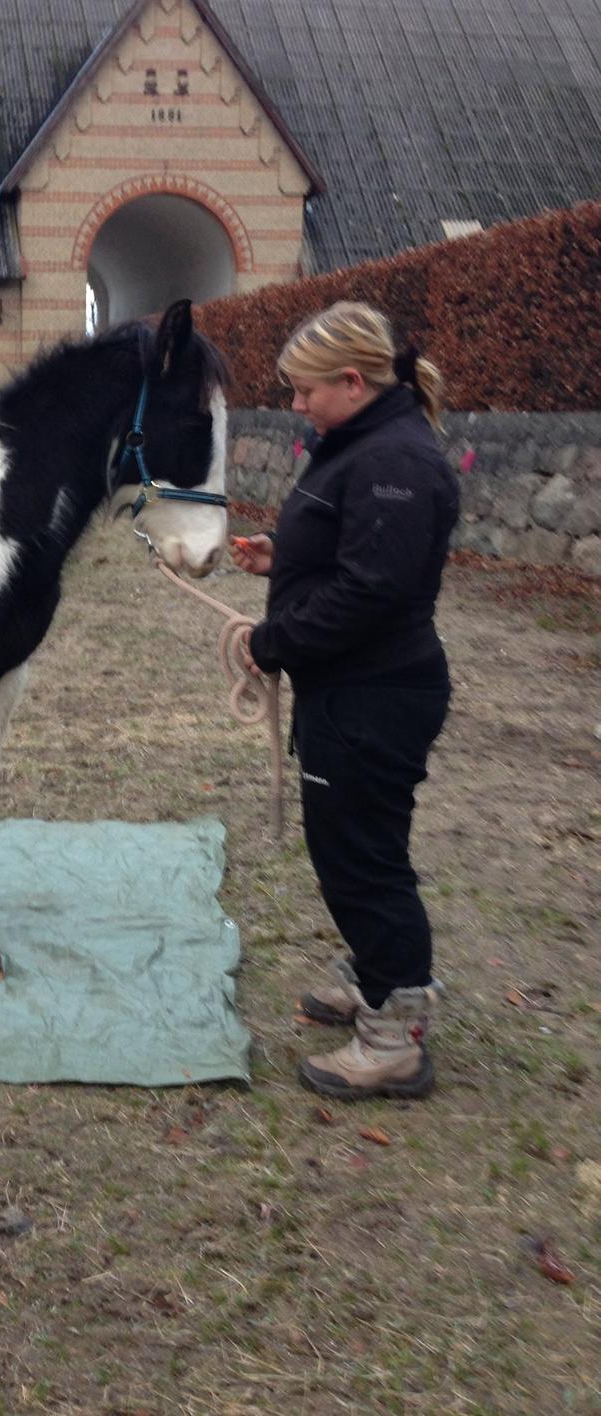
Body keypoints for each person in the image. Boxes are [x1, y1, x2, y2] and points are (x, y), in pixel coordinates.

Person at [231, 301, 459, 1100]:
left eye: (303, 391)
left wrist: (273, 642)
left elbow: (373, 591)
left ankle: (394, 1035)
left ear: (353, 381)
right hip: (353, 693)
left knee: (363, 863)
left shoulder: (393, 462)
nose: (295, 405)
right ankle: (375, 981)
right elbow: (350, 552)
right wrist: (282, 555)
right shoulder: (362, 446)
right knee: (354, 849)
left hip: (373, 696)